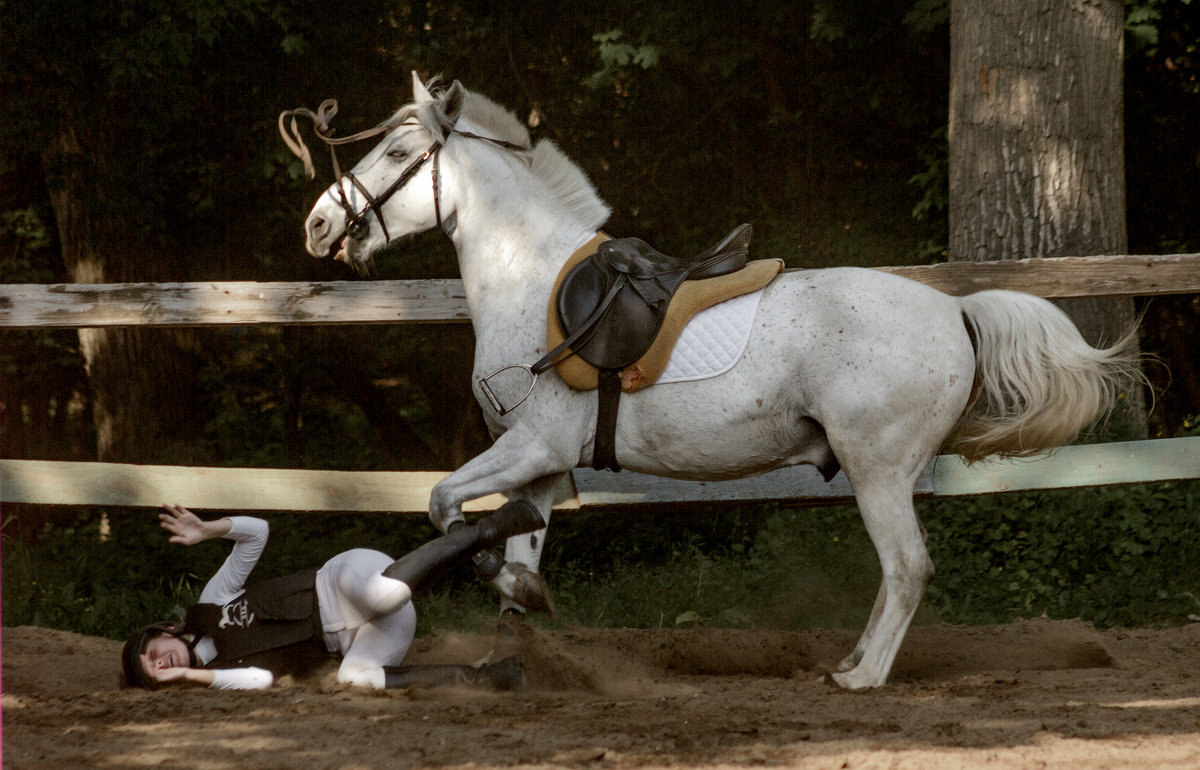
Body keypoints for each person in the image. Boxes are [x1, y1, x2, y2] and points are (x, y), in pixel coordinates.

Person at [120, 500, 546, 691]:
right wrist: (191, 678)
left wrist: (210, 529)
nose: (161, 661)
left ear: (166, 630)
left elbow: (258, 534)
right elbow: (260, 679)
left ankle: (486, 532)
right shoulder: (214, 682)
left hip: (342, 581)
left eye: (153, 651)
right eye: (154, 671)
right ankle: (492, 678)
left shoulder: (211, 602)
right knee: (354, 678)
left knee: (380, 596)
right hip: (370, 631)